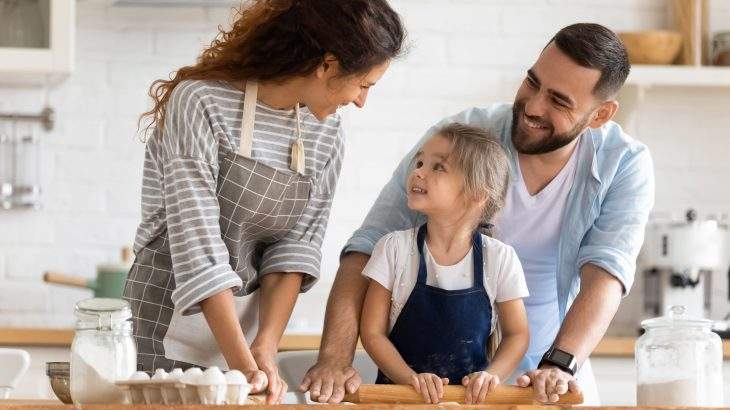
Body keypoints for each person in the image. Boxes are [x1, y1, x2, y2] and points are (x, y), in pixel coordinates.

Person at [301, 23, 654, 405]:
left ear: (600, 114)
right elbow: (366, 246)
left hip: (551, 378)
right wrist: (334, 359)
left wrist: (559, 364)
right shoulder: (464, 138)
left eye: (559, 101)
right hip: (446, 388)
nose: (533, 106)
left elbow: (605, 274)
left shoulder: (623, 164)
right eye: (532, 82)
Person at [123, 0, 405, 404]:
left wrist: (265, 348)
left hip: (248, 333)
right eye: (364, 85)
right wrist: (243, 361)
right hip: (165, 323)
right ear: (327, 65)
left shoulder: (326, 133)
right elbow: (197, 245)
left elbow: (295, 249)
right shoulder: (200, 101)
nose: (362, 101)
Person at [359, 124, 530, 404]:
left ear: (477, 194)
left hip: (468, 403)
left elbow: (517, 334)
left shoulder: (499, 258)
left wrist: (492, 376)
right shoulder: (393, 249)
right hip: (398, 401)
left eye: (438, 167)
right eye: (420, 161)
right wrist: (410, 379)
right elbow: (372, 332)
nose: (418, 171)